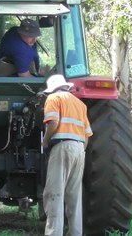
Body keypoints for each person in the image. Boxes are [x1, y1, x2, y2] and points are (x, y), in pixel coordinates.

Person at [42, 74, 93, 236]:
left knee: (54, 193)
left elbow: (54, 122)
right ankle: (75, 233)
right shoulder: (80, 104)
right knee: (74, 196)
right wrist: (79, 150)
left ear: (53, 89)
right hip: (80, 149)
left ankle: (54, 233)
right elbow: (87, 135)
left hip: (62, 146)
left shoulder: (54, 98)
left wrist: (45, 140)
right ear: (66, 86)